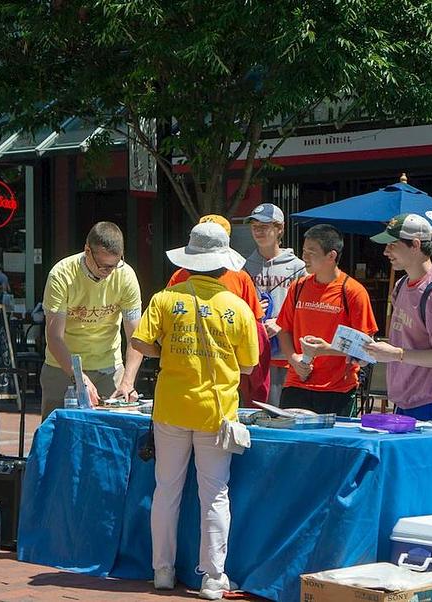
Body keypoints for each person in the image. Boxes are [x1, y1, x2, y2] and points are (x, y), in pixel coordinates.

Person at [130, 222, 258, 599]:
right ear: (224, 265)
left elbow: (140, 341)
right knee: (214, 494)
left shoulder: (165, 298)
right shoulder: (238, 307)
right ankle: (214, 578)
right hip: (216, 412)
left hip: (171, 407)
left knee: (166, 489)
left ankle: (162, 570)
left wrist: (168, 352)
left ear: (189, 261)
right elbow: (249, 365)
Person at [362, 214, 432, 426]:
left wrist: (397, 354)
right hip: (405, 402)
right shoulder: (401, 284)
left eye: (392, 244)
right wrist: (372, 353)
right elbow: (404, 342)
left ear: (416, 245)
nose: (385, 251)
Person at [39, 222, 143, 420]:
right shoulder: (61, 275)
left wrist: (128, 381)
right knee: (59, 432)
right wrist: (80, 378)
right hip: (62, 367)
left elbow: (136, 337)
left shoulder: (126, 276)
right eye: (103, 266)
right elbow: (54, 337)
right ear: (87, 251)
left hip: (109, 368)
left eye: (114, 265)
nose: (108, 272)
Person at [277, 224, 378, 415]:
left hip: (338, 389)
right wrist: (293, 358)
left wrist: (327, 349)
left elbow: (367, 346)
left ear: (331, 256)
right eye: (304, 251)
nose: (304, 257)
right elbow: (284, 329)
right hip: (297, 383)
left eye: (311, 252)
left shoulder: (353, 292)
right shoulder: (297, 287)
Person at [169, 215, 268, 405]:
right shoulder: (179, 276)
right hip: (219, 373)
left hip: (200, 372)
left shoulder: (240, 277)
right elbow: (255, 331)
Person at [243, 203, 306, 405]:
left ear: (280, 228)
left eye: (264, 226)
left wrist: (280, 322)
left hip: (286, 355)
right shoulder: (244, 267)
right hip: (253, 354)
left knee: (283, 411)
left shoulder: (298, 267)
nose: (258, 231)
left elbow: (306, 308)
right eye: (254, 227)